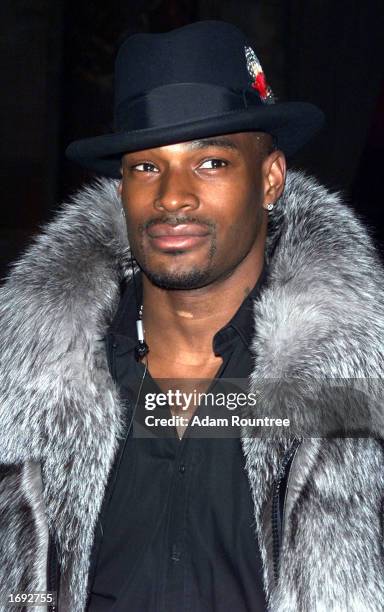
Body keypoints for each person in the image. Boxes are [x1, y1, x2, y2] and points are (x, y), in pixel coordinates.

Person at [1, 19, 384, 612]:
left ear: (270, 179)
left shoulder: (352, 392)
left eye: (210, 163)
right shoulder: (32, 384)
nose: (172, 197)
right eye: (146, 167)